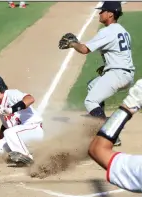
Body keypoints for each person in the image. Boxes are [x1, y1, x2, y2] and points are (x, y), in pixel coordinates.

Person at [58, 1, 135, 146]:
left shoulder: (107, 31)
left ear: (110, 14)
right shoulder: (123, 31)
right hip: (123, 73)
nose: (99, 13)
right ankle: (97, 122)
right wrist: (107, 67)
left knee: (90, 101)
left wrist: (72, 43)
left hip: (118, 74)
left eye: (102, 11)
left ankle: (110, 133)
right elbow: (119, 53)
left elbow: (84, 49)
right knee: (92, 86)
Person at [0, 73, 43, 165]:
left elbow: (30, 99)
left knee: (9, 133)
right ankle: (17, 154)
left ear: (0, 86)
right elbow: (5, 127)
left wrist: (12, 109)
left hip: (34, 129)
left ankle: (27, 157)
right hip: (19, 137)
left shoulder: (11, 94)